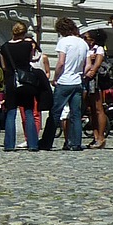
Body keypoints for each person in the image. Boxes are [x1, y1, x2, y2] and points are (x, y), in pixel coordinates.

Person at [39, 17, 88, 152]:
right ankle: (75, 143)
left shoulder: (63, 42)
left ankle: (46, 142)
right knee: (76, 115)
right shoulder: (83, 43)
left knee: (55, 112)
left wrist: (55, 78)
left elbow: (61, 62)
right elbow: (86, 64)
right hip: (77, 81)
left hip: (65, 81)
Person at [0, 21, 40, 152]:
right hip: (26, 80)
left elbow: (4, 66)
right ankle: (33, 143)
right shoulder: (28, 45)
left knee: (11, 112)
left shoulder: (4, 47)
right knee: (28, 111)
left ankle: (9, 144)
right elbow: (29, 60)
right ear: (24, 33)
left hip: (12, 80)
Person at [83, 29, 110, 148]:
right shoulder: (87, 50)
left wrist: (91, 72)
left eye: (86, 38)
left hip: (95, 80)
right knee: (91, 110)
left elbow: (98, 63)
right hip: (87, 80)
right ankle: (95, 136)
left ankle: (101, 137)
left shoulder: (99, 48)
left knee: (98, 109)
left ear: (92, 40)